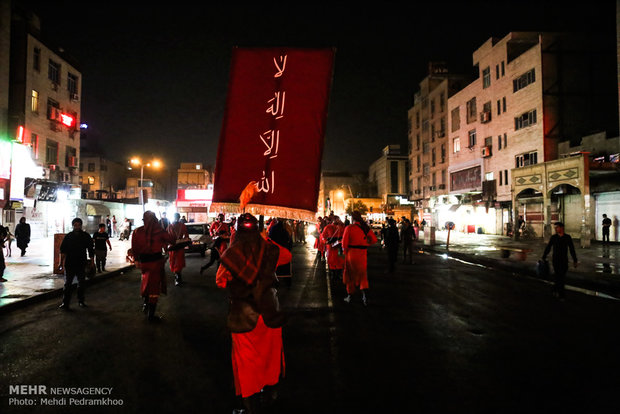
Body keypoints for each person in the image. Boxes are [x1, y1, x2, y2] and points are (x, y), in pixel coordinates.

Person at [215, 213, 291, 413]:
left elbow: (220, 281)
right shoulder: (270, 249)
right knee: (270, 357)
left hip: (244, 317)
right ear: (258, 229)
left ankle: (250, 406)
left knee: (247, 361)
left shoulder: (232, 254)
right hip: (269, 314)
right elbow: (287, 256)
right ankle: (270, 395)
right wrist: (266, 238)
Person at [131, 211, 175, 322]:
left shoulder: (137, 231)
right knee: (154, 288)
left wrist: (136, 260)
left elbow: (134, 248)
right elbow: (172, 240)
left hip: (143, 263)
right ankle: (151, 315)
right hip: (155, 263)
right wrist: (169, 229)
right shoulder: (159, 231)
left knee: (146, 282)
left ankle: (146, 303)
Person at [342, 211, 378, 305]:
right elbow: (374, 239)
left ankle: (350, 296)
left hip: (351, 254)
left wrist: (344, 252)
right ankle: (365, 297)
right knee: (362, 275)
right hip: (362, 254)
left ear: (352, 218)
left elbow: (344, 243)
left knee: (350, 275)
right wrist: (365, 244)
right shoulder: (365, 228)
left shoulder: (349, 228)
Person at [58, 218, 94, 310]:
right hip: (70, 263)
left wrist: (92, 262)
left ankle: (81, 301)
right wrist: (60, 263)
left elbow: (90, 250)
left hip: (81, 263)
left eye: (78, 225)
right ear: (73, 225)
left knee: (81, 283)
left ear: (81, 225)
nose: (77, 226)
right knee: (68, 284)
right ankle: (65, 303)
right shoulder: (69, 236)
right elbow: (63, 251)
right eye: (75, 225)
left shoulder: (85, 236)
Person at [542, 222, 578, 300]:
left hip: (564, 260)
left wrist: (575, 260)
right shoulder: (554, 237)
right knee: (560, 277)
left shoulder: (567, 237)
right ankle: (561, 294)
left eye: (557, 227)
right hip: (556, 260)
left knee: (560, 276)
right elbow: (548, 247)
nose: (555, 229)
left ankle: (554, 289)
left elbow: (572, 249)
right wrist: (544, 256)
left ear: (562, 228)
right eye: (555, 227)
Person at [268, 218, 294, 284]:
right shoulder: (287, 228)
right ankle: (287, 280)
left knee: (276, 266)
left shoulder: (273, 228)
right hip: (285, 250)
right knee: (286, 268)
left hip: (275, 250)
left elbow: (270, 238)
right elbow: (290, 240)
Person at [167, 212, 189, 286]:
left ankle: (177, 277)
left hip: (175, 247)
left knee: (176, 263)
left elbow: (167, 237)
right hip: (176, 247)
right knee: (176, 263)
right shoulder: (173, 226)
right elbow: (186, 237)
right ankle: (177, 277)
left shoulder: (171, 226)